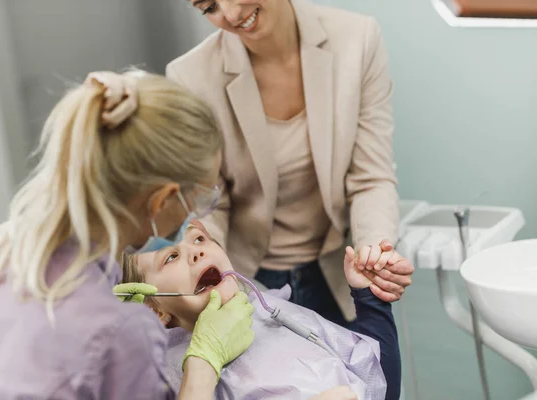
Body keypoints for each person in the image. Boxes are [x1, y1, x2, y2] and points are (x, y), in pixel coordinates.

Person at [0, 70, 255, 399]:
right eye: (202, 198)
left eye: (202, 238)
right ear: (160, 201)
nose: (196, 229)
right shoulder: (119, 333)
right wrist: (203, 362)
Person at [166, 0, 415, 328]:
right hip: (249, 283)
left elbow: (371, 177)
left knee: (368, 376)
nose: (229, 14)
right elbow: (210, 204)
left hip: (339, 274)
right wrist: (201, 274)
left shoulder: (357, 39)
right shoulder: (190, 77)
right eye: (209, 7)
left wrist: (376, 252)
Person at [121, 219, 401, 400]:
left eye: (199, 239)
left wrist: (369, 297)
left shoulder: (274, 314)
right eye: (170, 257)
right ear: (154, 308)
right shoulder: (169, 376)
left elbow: (381, 382)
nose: (196, 252)